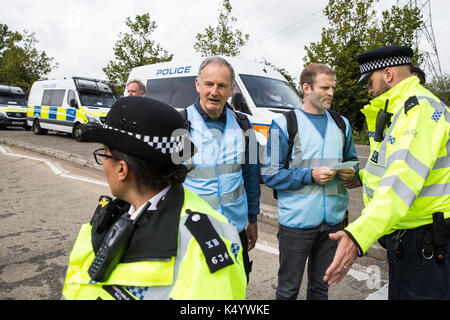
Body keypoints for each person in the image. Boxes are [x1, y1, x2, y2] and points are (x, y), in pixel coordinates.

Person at [61, 96, 247, 300]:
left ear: (122, 169)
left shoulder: (204, 248)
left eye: (104, 154)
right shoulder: (117, 213)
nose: (103, 164)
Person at [324, 45, 450, 300]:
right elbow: (388, 165)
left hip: (424, 241)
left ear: (388, 74)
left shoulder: (419, 112)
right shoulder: (401, 111)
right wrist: (359, 177)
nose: (368, 89)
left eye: (370, 82)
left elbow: (401, 181)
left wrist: (358, 234)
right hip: (409, 237)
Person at [261, 63, 360, 300]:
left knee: (320, 288)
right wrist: (310, 175)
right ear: (306, 88)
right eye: (325, 88)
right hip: (296, 224)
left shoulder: (341, 123)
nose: (331, 93)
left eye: (332, 88)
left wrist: (352, 173)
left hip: (334, 222)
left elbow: (353, 161)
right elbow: (270, 174)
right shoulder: (285, 124)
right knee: (287, 290)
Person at [182, 56, 261, 282]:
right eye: (208, 84)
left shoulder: (244, 125)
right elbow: (168, 183)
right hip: (193, 233)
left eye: (221, 85)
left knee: (235, 287)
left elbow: (251, 176)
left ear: (231, 90)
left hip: (234, 230)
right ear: (198, 85)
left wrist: (252, 219)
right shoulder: (181, 124)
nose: (214, 91)